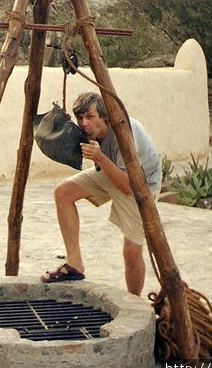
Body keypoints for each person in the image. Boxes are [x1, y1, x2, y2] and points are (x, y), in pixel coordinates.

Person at [40, 91, 161, 296]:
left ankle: (134, 300)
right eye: (80, 118)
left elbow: (128, 187)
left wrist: (99, 157)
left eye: (90, 117)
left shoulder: (123, 133)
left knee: (131, 251)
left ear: (104, 116)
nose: (84, 123)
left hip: (140, 185)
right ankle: (74, 263)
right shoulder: (89, 133)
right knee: (63, 193)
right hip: (113, 172)